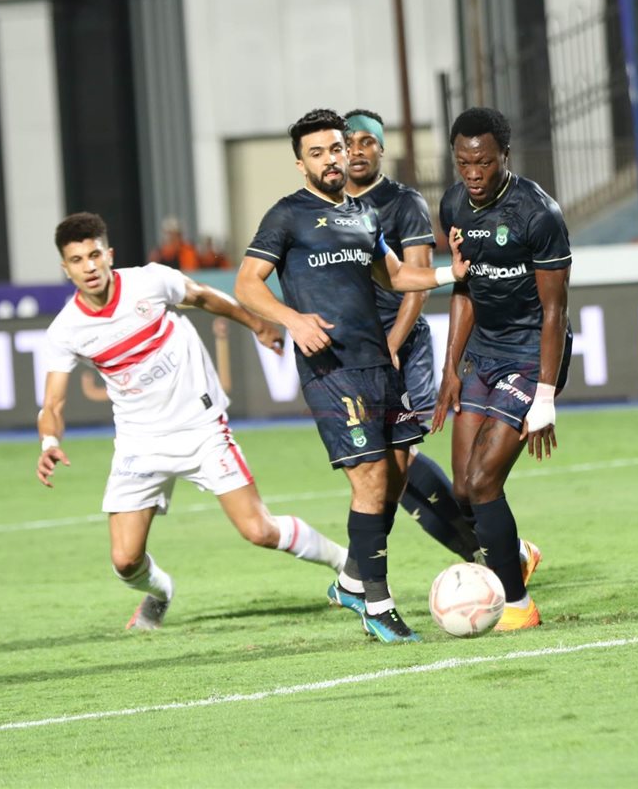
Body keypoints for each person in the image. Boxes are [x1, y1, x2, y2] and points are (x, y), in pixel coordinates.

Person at [36, 212, 349, 630]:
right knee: (125, 561)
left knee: (259, 530)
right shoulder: (66, 330)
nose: (89, 267)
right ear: (66, 268)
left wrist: (257, 324)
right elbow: (53, 403)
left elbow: (202, 296)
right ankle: (161, 591)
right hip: (139, 443)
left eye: (94, 255)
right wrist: (49, 442)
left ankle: (348, 565)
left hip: (201, 428)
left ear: (109, 255)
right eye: (77, 260)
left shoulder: (149, 282)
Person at [234, 109, 469, 643]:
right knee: (369, 478)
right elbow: (247, 283)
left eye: (336, 149)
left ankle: (351, 581)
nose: (331, 160)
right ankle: (377, 604)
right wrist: (292, 320)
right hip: (331, 368)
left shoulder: (364, 214)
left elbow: (394, 275)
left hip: (379, 362)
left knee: (397, 473)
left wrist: (447, 272)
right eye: (316, 153)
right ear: (301, 164)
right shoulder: (287, 215)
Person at [431, 106, 570, 631]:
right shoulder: (453, 205)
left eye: (484, 162)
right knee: (463, 489)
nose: (473, 173)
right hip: (483, 353)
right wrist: (451, 368)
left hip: (532, 352)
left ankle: (518, 605)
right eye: (464, 163)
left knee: (484, 479)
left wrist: (545, 396)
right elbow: (464, 290)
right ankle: (516, 555)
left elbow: (555, 310)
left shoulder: (539, 214)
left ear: (505, 156)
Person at [342, 108, 487, 564]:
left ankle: (362, 569)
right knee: (384, 468)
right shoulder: (328, 208)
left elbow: (417, 285)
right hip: (355, 353)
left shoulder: (403, 203)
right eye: (348, 143)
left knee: (396, 462)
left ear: (382, 148)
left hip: (400, 347)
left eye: (367, 141)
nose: (357, 151)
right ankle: (491, 552)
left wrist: (391, 344)